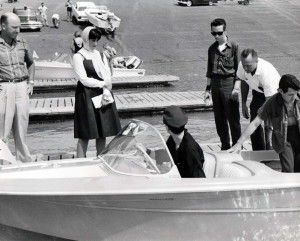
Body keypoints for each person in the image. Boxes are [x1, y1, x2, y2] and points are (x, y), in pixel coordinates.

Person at [229, 74, 300, 173]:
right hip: (283, 138)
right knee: (289, 170)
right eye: (290, 95)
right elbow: (255, 123)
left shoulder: (298, 98)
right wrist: (239, 143)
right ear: (280, 91)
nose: (294, 97)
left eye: (296, 93)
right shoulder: (272, 102)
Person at [73, 27, 121, 158]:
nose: (95, 43)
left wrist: (106, 86)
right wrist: (102, 83)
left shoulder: (100, 55)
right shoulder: (78, 56)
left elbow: (107, 74)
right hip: (86, 96)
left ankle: (101, 160)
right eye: (92, 40)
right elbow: (83, 79)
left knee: (102, 131)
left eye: (97, 40)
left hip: (102, 94)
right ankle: (80, 163)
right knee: (85, 133)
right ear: (85, 39)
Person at [0, 12, 35, 163]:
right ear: (3, 26)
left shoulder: (23, 42)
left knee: (22, 127)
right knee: (3, 130)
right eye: (14, 27)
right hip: (4, 88)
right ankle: (3, 162)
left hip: (22, 86)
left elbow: (31, 62)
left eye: (19, 27)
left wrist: (31, 83)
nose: (18, 30)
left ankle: (23, 161)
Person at [204, 18, 241, 150]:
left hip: (229, 83)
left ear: (225, 30)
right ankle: (225, 145)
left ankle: (237, 146)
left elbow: (239, 71)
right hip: (215, 84)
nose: (217, 36)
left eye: (219, 33)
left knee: (233, 118)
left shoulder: (234, 46)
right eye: (213, 33)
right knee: (219, 119)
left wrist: (236, 88)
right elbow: (209, 71)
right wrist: (207, 90)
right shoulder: (212, 49)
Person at [236, 48, 280, 150]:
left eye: (248, 66)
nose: (245, 68)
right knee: (254, 124)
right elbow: (244, 81)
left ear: (256, 61)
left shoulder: (266, 72)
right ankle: (258, 151)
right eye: (244, 65)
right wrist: (243, 104)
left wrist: (262, 115)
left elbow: (270, 100)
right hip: (257, 92)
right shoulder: (242, 65)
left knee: (269, 125)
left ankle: (271, 151)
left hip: (274, 94)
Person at [163, 106, 206, 178]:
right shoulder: (173, 140)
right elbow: (166, 155)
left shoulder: (189, 150)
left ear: (167, 128)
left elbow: (199, 179)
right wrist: (148, 152)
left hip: (187, 186)